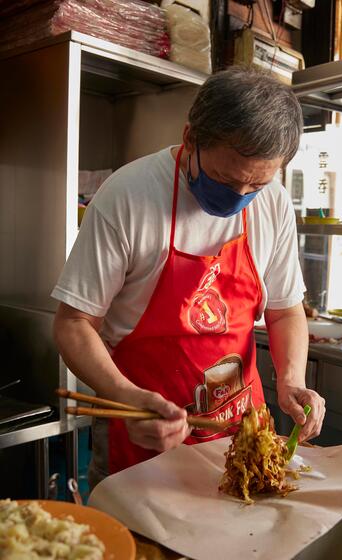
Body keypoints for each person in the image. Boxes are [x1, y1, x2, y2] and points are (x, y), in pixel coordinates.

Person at [52, 66, 326, 488]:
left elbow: (286, 310)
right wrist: (127, 398)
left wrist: (291, 380)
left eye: (256, 184)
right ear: (191, 138)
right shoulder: (128, 196)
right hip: (143, 424)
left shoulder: (273, 202)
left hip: (241, 428)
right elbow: (73, 323)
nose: (240, 196)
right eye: (225, 179)